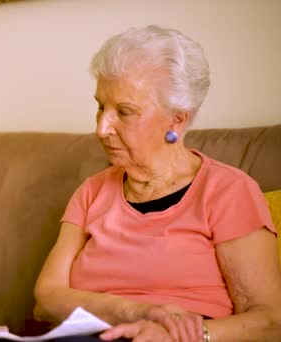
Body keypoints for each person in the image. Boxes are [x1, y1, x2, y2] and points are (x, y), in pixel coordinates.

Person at [34, 25, 281, 342]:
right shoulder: (92, 191)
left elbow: (270, 321)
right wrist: (136, 312)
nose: (102, 128)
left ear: (177, 119)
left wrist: (183, 336)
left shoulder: (228, 191)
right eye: (100, 106)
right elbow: (47, 299)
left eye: (124, 111)